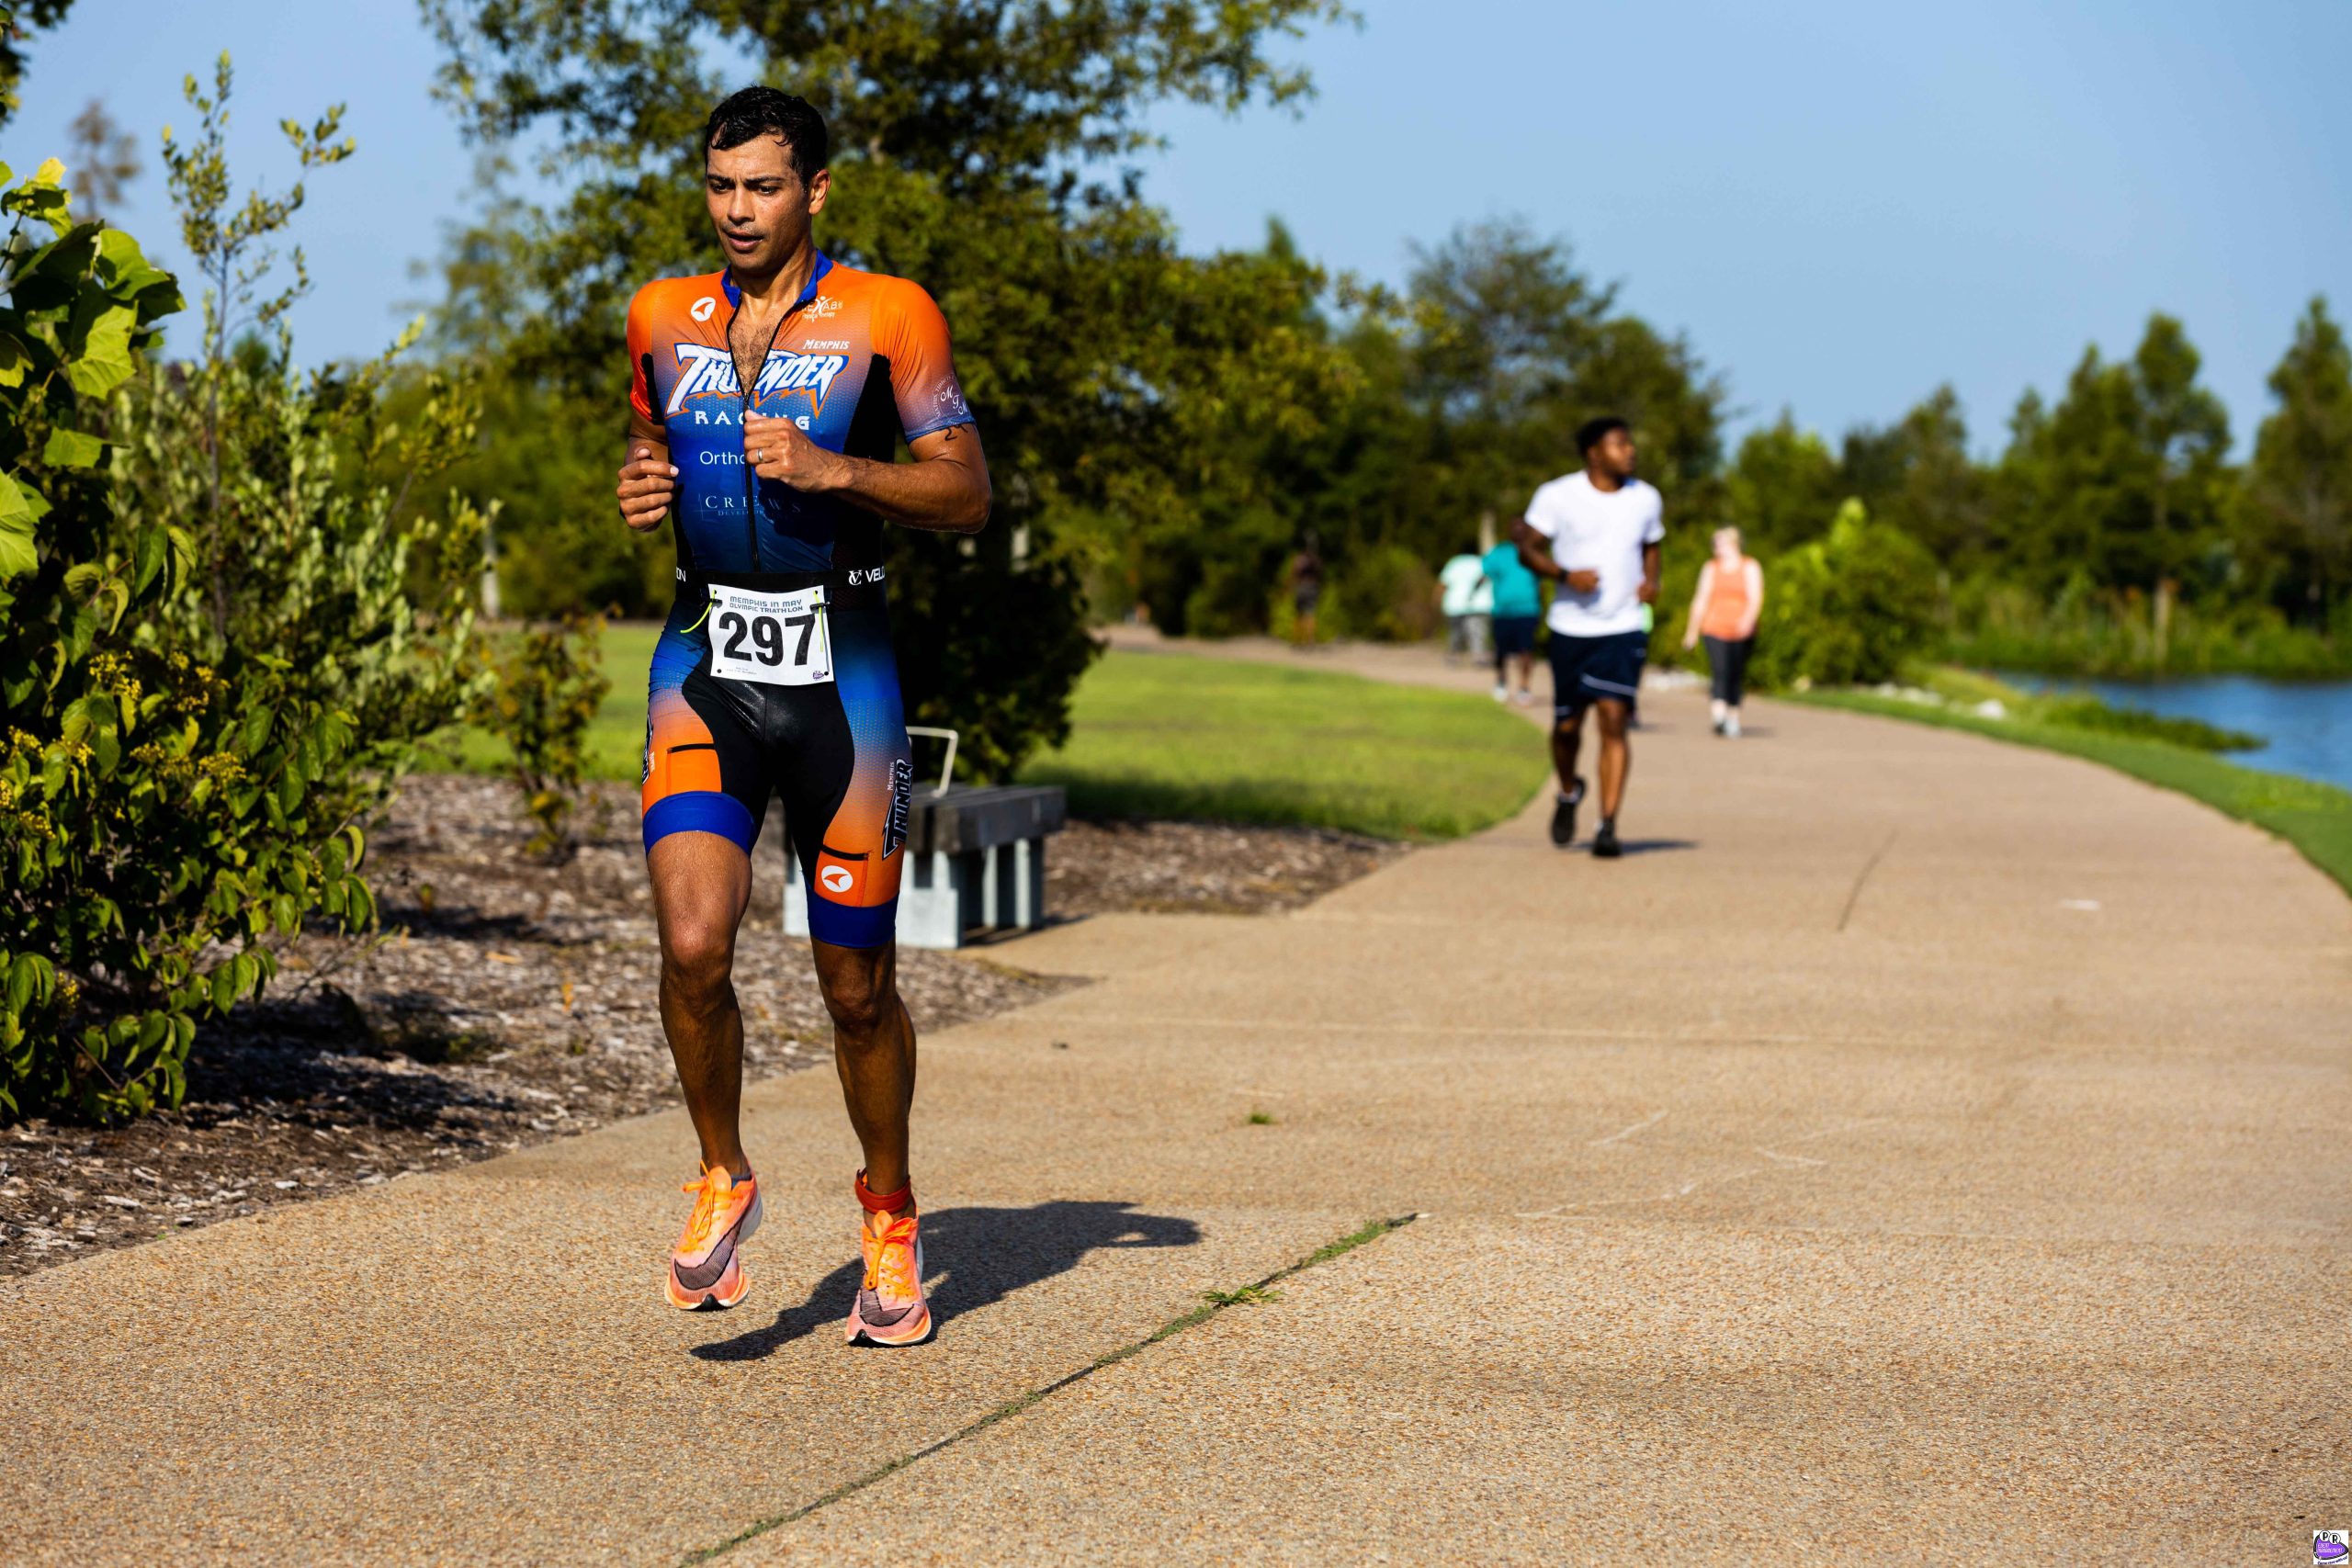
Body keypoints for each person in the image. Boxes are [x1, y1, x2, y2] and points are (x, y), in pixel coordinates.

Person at [612, 88, 989, 1346]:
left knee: (855, 986)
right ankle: (723, 1169)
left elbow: (967, 491)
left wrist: (839, 472)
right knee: (691, 945)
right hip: (704, 655)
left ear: (815, 191)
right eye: (721, 187)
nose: (737, 210)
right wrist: (643, 483)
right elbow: (652, 448)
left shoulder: (890, 315)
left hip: (848, 674)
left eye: (763, 187)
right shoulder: (660, 314)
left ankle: (888, 1210)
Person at [1512, 416, 1663, 859]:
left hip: (1622, 624)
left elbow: (1652, 545)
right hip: (1570, 628)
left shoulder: (1646, 498)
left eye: (1630, 443)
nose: (1630, 451)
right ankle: (1567, 789)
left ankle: (1607, 825)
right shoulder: (1558, 495)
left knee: (1614, 718)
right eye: (1619, 444)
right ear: (1594, 453)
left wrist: (1652, 580)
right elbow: (1527, 547)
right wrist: (1563, 574)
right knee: (1566, 726)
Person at [1682, 526, 1764, 737]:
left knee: (1735, 674)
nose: (1715, 547)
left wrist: (1747, 620)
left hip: (1742, 630)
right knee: (1720, 670)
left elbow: (1756, 597)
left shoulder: (1750, 566)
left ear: (1733, 543)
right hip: (1713, 627)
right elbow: (1700, 600)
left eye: (1719, 542)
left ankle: (1732, 717)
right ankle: (1718, 715)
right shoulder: (1711, 568)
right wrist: (1691, 631)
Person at [1482, 526, 1541, 704]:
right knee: (1501, 652)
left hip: (1528, 610)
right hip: (1503, 611)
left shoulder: (1533, 552)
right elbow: (1485, 573)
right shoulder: (1499, 553)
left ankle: (1524, 686)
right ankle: (1501, 682)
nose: (1518, 531)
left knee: (1526, 650)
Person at [1438, 547, 1491, 663]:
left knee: (1455, 633)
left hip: (1455, 604)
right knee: (1478, 632)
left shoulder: (1454, 562)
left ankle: (1453, 656)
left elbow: (1443, 582)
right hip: (1478, 604)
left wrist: (1437, 599)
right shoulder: (1481, 562)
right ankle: (1478, 656)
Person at [1289, 533, 1324, 649]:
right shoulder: (1316, 560)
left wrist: (1291, 587)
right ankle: (1309, 641)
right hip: (1312, 587)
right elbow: (1320, 574)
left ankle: (1297, 641)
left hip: (1301, 587)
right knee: (1310, 614)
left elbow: (1294, 573)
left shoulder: (1300, 559)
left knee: (1299, 614)